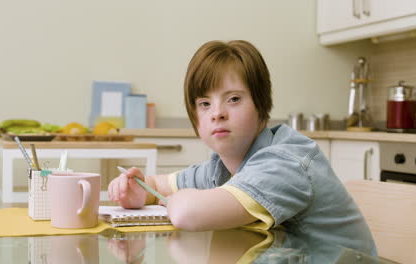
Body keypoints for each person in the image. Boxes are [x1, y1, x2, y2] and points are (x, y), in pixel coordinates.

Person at [108, 40, 377, 255]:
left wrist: (175, 201)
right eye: (204, 104)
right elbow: (159, 185)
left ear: (261, 105)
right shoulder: (223, 164)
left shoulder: (284, 162)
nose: (217, 113)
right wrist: (141, 191)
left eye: (233, 99)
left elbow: (187, 213)